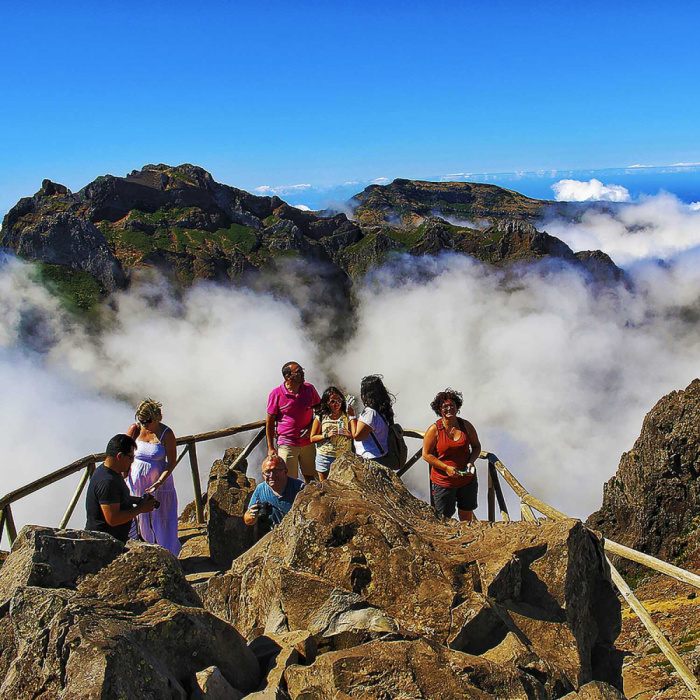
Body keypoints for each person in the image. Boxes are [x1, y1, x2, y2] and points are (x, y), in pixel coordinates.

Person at [126, 398, 181, 556]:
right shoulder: (135, 430)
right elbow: (123, 449)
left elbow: (171, 462)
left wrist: (159, 482)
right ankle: (144, 551)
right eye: (141, 420)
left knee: (161, 517)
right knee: (140, 518)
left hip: (159, 484)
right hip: (136, 484)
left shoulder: (166, 434)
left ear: (156, 417)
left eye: (147, 421)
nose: (144, 424)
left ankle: (167, 552)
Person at [422, 389, 482, 521]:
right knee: (444, 519)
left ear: (457, 407)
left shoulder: (465, 425)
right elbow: (426, 454)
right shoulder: (434, 429)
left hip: (466, 479)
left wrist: (471, 461)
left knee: (466, 514)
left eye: (452, 406)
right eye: (445, 406)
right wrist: (446, 468)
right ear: (439, 410)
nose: (449, 409)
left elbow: (477, 446)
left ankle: (467, 539)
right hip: (444, 482)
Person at [85, 434, 157, 543]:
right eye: (131, 457)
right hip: (106, 544)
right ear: (119, 456)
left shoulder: (109, 471)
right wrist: (140, 509)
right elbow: (113, 519)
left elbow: (117, 498)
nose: (133, 461)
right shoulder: (107, 482)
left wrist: (138, 500)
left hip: (114, 539)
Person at [266, 361, 321, 483]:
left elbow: (321, 410)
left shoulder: (309, 389)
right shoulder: (276, 394)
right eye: (298, 372)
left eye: (302, 371)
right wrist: (270, 447)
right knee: (288, 480)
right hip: (287, 442)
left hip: (308, 442)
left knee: (312, 477)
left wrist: (312, 427)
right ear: (287, 376)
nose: (302, 374)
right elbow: (269, 422)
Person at [243, 455, 305, 528]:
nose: (271, 475)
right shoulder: (260, 489)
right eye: (267, 472)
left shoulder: (300, 488)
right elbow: (248, 520)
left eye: (275, 471)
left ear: (285, 471)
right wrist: (251, 516)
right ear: (263, 474)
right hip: (275, 534)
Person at [310, 386, 354, 481]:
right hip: (325, 458)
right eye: (333, 401)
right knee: (325, 487)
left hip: (343, 457)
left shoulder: (347, 415)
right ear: (327, 402)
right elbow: (312, 438)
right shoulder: (321, 417)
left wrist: (349, 434)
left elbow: (356, 433)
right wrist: (326, 435)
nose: (336, 404)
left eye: (339, 400)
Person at [351, 375, 395, 468]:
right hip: (382, 456)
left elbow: (358, 436)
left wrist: (351, 417)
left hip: (370, 459)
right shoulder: (385, 410)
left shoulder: (370, 413)